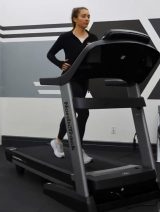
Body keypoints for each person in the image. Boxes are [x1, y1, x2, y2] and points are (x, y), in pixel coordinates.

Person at [47, 7, 98, 164]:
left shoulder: (93, 37)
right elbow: (50, 54)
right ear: (75, 19)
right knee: (82, 111)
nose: (87, 19)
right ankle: (78, 149)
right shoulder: (65, 37)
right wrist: (60, 64)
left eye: (88, 16)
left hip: (84, 80)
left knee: (75, 112)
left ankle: (57, 140)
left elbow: (96, 59)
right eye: (83, 16)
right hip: (69, 79)